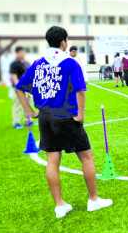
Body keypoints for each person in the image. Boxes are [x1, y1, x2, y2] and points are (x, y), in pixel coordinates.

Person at [15, 26, 112, 218]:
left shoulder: (38, 63)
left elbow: (19, 88)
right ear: (63, 42)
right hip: (66, 116)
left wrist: (29, 111)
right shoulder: (70, 63)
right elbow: (80, 90)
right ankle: (94, 200)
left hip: (45, 117)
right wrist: (81, 114)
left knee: (52, 160)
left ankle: (59, 205)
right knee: (86, 157)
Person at [9, 46, 31, 129]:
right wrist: (18, 88)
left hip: (27, 88)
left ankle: (27, 120)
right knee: (17, 105)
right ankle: (16, 122)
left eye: (24, 52)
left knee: (28, 104)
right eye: (22, 52)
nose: (23, 54)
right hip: (18, 88)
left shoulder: (26, 63)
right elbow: (14, 77)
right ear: (17, 53)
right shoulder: (14, 64)